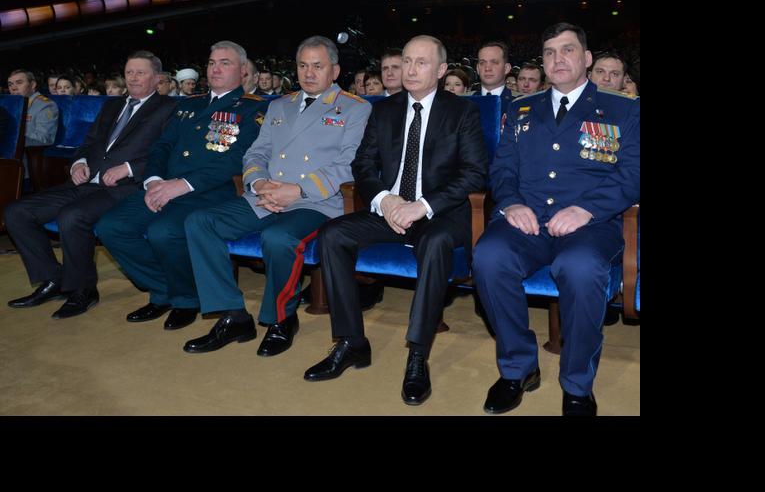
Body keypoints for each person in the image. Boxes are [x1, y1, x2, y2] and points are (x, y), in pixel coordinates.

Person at [305, 34, 486, 408]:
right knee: (333, 235)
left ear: (440, 70)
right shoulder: (384, 110)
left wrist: (421, 206)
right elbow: (363, 165)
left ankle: (418, 352)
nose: (411, 69)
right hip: (390, 210)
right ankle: (352, 342)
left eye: (422, 62)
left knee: (434, 243)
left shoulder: (462, 111)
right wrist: (385, 199)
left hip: (440, 213)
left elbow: (473, 175)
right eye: (406, 61)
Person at [474, 23, 640, 416]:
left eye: (567, 51)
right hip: (528, 220)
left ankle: (577, 382)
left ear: (586, 59)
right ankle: (518, 368)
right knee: (489, 256)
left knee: (579, 267)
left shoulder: (623, 109)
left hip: (593, 226)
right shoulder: (521, 108)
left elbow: (632, 175)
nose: (557, 59)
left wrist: (587, 209)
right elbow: (502, 170)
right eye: (549, 52)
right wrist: (512, 203)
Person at [181, 36, 370, 356]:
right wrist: (258, 184)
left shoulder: (355, 108)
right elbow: (257, 153)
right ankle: (232, 315)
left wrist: (297, 190)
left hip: (316, 201)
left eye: (318, 66)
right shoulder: (279, 105)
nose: (309, 73)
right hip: (266, 196)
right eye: (303, 65)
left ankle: (281, 319)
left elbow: (349, 165)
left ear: (334, 70)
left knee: (278, 238)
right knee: (200, 222)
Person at [95, 41, 268, 331]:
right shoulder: (188, 104)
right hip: (162, 186)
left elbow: (237, 160)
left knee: (163, 232)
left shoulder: (253, 110)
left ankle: (186, 299)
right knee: (111, 227)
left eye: (225, 63)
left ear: (243, 71)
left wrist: (183, 185)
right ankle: (165, 289)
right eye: (212, 62)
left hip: (208, 192)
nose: (215, 68)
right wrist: (153, 181)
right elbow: (161, 147)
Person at [5, 51, 178, 318]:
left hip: (125, 187)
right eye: (129, 71)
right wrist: (79, 163)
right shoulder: (111, 105)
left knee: (72, 216)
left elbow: (170, 153)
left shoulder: (170, 108)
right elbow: (89, 143)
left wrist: (129, 168)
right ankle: (53, 280)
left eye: (140, 72)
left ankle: (83, 290)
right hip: (87, 181)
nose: (132, 77)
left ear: (157, 78)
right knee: (16, 212)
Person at [6, 69, 58, 148]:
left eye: (19, 83)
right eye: (10, 84)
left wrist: (10, 138)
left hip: (26, 154)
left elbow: (45, 138)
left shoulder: (45, 105)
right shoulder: (8, 105)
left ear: (33, 84)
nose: (13, 88)